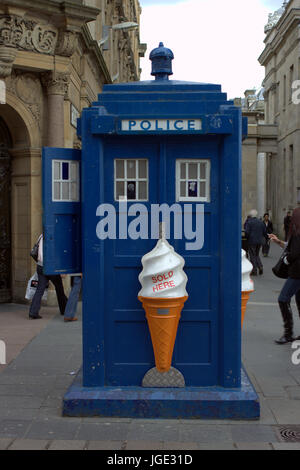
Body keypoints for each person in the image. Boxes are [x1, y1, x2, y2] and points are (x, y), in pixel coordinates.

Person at [269, 207, 300, 344]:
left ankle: (288, 333)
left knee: (283, 298)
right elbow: (291, 246)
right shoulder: (296, 233)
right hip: (297, 271)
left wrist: (288, 259)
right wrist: (279, 242)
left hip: (297, 272)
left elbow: (295, 252)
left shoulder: (298, 233)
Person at [29, 234, 68, 319]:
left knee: (40, 289)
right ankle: (64, 309)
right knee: (59, 288)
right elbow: (58, 254)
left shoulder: (41, 236)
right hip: (51, 267)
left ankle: (33, 312)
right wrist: (62, 269)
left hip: (40, 266)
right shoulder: (55, 236)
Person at [245, 209, 267, 276]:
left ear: (251, 215)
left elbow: (247, 232)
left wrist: (247, 238)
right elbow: (264, 232)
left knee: (252, 255)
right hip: (259, 241)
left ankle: (254, 270)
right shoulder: (261, 222)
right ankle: (260, 266)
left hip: (252, 241)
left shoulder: (249, 222)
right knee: (256, 254)